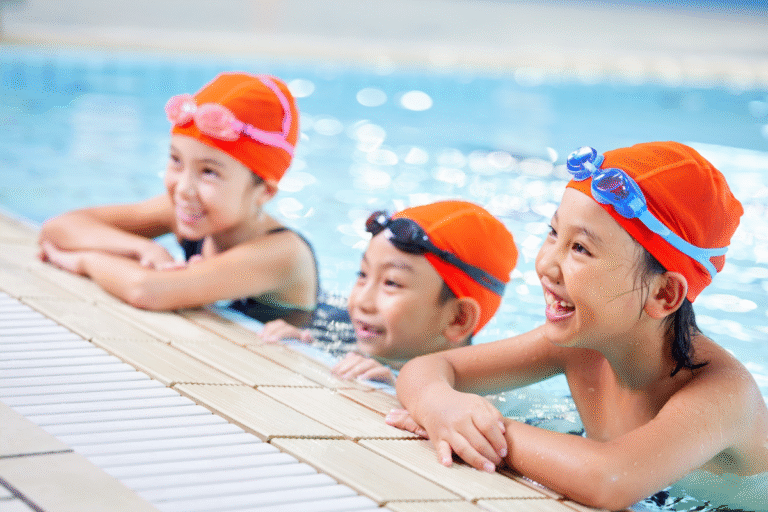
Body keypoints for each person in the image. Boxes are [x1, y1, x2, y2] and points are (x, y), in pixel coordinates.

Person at [387, 142, 768, 510]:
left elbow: (608, 479)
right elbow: (431, 366)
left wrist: (479, 428)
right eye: (554, 233)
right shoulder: (584, 341)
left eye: (581, 249)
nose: (546, 265)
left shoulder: (724, 395)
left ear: (664, 293)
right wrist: (439, 404)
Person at [38, 72, 318, 327]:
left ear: (265, 192)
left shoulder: (282, 254)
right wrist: (141, 249)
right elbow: (60, 227)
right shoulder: (188, 210)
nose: (184, 188)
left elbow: (146, 290)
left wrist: (85, 261)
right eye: (176, 160)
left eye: (209, 172)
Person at [260, 200, 518, 385]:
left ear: (457, 318)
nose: (362, 301)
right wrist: (305, 348)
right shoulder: (340, 332)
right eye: (362, 275)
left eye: (391, 283)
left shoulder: (480, 396)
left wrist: (395, 389)